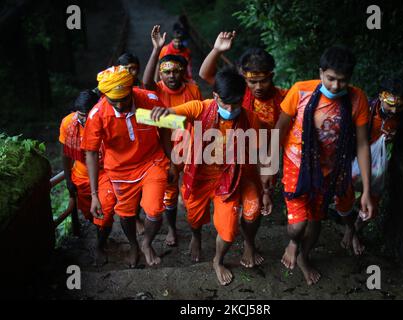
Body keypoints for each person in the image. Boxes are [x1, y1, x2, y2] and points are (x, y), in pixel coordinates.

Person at [150, 68, 273, 285]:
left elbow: (262, 153)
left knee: (228, 232)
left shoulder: (250, 119)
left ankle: (218, 260)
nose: (232, 109)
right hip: (197, 177)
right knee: (194, 218)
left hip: (229, 179)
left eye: (237, 104)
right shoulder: (200, 108)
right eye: (226, 103)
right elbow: (171, 115)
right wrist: (162, 114)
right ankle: (196, 237)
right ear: (215, 96)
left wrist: (265, 189)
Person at [275, 46, 374, 285]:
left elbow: (361, 145)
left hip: (330, 170)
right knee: (297, 225)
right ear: (321, 73)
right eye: (330, 79)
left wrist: (367, 191)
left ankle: (304, 257)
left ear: (349, 79)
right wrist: (268, 166)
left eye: (342, 81)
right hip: (295, 165)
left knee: (316, 219)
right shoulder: (300, 92)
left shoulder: (357, 98)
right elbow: (280, 128)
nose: (335, 86)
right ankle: (294, 242)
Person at [199, 31, 286, 268]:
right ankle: (223, 245)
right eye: (252, 81)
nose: (258, 87)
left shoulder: (283, 99)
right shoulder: (237, 93)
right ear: (243, 78)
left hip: (261, 159)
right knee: (228, 207)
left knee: (255, 208)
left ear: (272, 76)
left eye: (263, 80)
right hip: (227, 157)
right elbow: (205, 75)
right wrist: (217, 50)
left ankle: (249, 243)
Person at [82, 66, 176, 268]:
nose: (119, 104)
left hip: (152, 161)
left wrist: (173, 162)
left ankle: (146, 243)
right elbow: (90, 152)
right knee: (125, 213)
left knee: (154, 209)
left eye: (124, 98)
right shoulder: (97, 115)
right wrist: (95, 194)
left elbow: (167, 128)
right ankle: (134, 245)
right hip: (120, 170)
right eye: (112, 100)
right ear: (104, 95)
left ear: (132, 89)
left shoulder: (148, 101)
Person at [142, 25, 203, 246]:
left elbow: (199, 116)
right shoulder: (156, 88)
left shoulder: (193, 89)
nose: (171, 75)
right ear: (161, 73)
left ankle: (196, 233)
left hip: (188, 147)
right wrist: (156, 49)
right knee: (169, 192)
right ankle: (172, 230)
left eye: (176, 71)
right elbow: (145, 83)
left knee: (191, 193)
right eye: (166, 71)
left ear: (183, 72)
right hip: (163, 150)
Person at [345, 77, 403, 255]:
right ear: (381, 97)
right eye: (391, 103)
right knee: (346, 194)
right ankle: (349, 229)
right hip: (357, 156)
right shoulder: (366, 108)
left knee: (372, 202)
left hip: (380, 164)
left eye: (400, 105)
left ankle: (356, 231)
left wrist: (395, 139)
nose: (394, 109)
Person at [59, 90, 116, 266]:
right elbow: (65, 154)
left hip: (106, 172)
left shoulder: (107, 120)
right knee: (90, 214)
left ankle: (100, 245)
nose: (84, 119)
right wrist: (68, 179)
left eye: (88, 115)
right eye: (81, 115)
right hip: (81, 175)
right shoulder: (68, 123)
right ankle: (101, 231)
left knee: (105, 212)